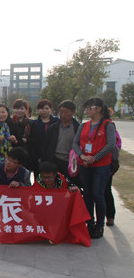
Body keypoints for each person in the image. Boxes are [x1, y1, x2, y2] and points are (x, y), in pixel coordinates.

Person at [72, 97, 117, 239]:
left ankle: (99, 225)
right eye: (86, 108)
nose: (87, 110)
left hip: (101, 166)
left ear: (98, 109)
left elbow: (111, 144)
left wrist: (95, 158)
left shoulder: (108, 125)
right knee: (88, 194)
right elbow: (75, 143)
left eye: (89, 108)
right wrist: (82, 156)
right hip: (85, 164)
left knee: (98, 194)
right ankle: (89, 222)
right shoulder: (84, 125)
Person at [42, 100, 80, 181]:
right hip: (55, 161)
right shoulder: (53, 128)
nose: (62, 115)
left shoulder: (78, 128)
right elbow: (46, 146)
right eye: (61, 112)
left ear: (73, 112)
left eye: (66, 112)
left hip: (71, 162)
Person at [12, 99, 38, 173]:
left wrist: (26, 140)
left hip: (28, 153)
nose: (19, 111)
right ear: (13, 109)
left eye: (22, 108)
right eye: (17, 108)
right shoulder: (10, 122)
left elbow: (35, 139)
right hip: (13, 154)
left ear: (26, 110)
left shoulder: (31, 123)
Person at [33, 99, 59, 172]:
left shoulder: (57, 122)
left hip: (54, 154)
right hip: (39, 154)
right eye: (42, 108)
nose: (44, 110)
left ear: (51, 110)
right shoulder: (35, 123)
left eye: (47, 108)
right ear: (38, 110)